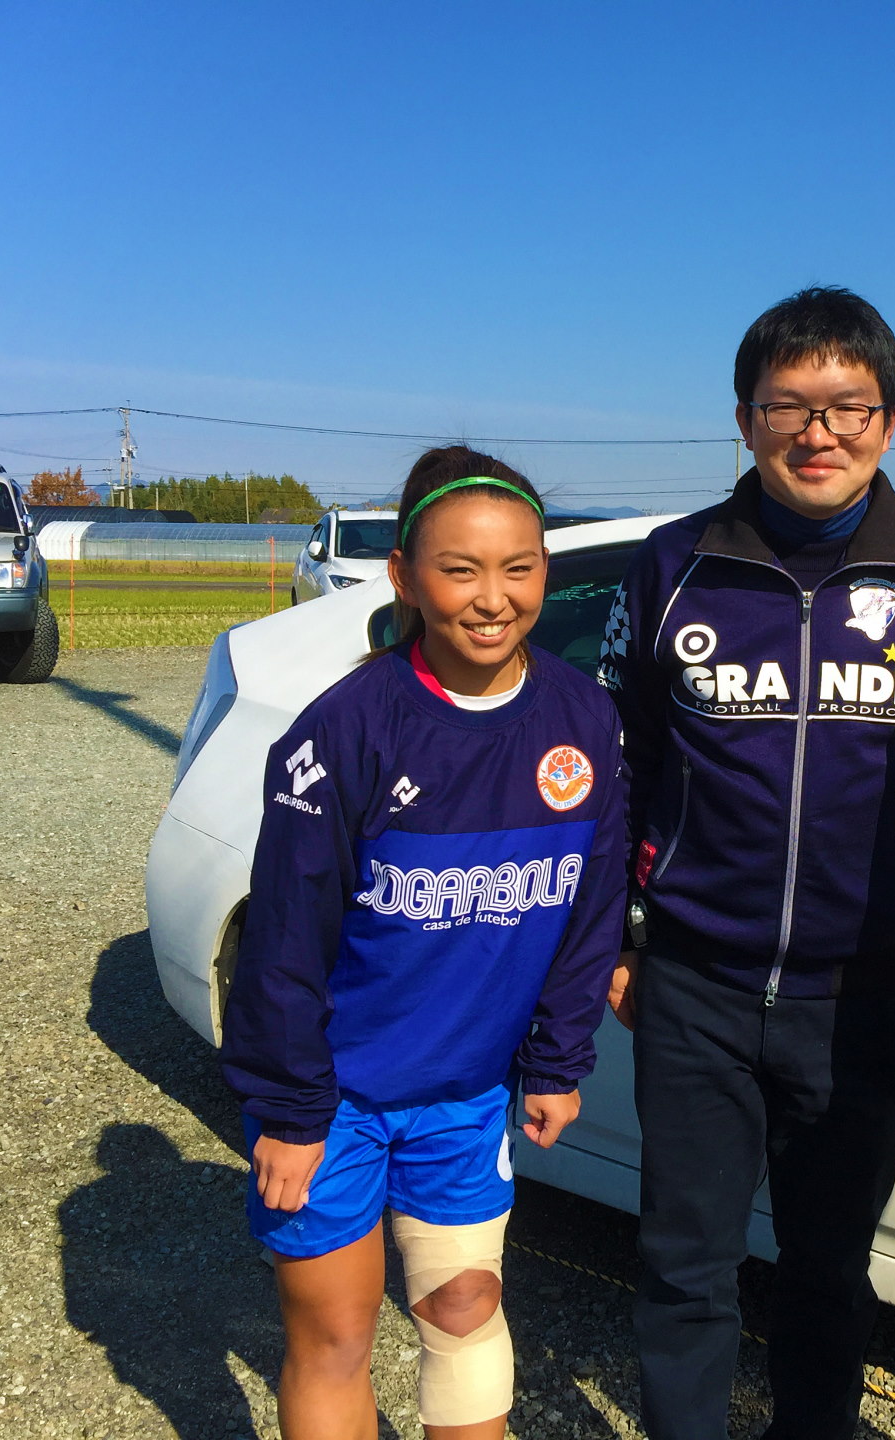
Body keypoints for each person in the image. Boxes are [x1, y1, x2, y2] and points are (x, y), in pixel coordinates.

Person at [597, 286, 895, 1440]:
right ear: (745, 419)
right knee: (684, 1267)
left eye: (848, 406)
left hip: (862, 997)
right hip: (695, 989)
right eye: (788, 405)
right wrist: (620, 937)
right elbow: (623, 768)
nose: (818, 433)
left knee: (827, 1273)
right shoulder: (674, 566)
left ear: (889, 422)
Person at [220, 446, 628, 1440]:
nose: (493, 598)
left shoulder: (583, 716)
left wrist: (558, 1061)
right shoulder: (346, 728)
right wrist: (292, 1111)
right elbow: (282, 940)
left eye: (519, 568)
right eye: (460, 569)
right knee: (336, 1338)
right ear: (404, 576)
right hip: (334, 1102)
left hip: (465, 1097)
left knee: (465, 1312)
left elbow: (592, 909)